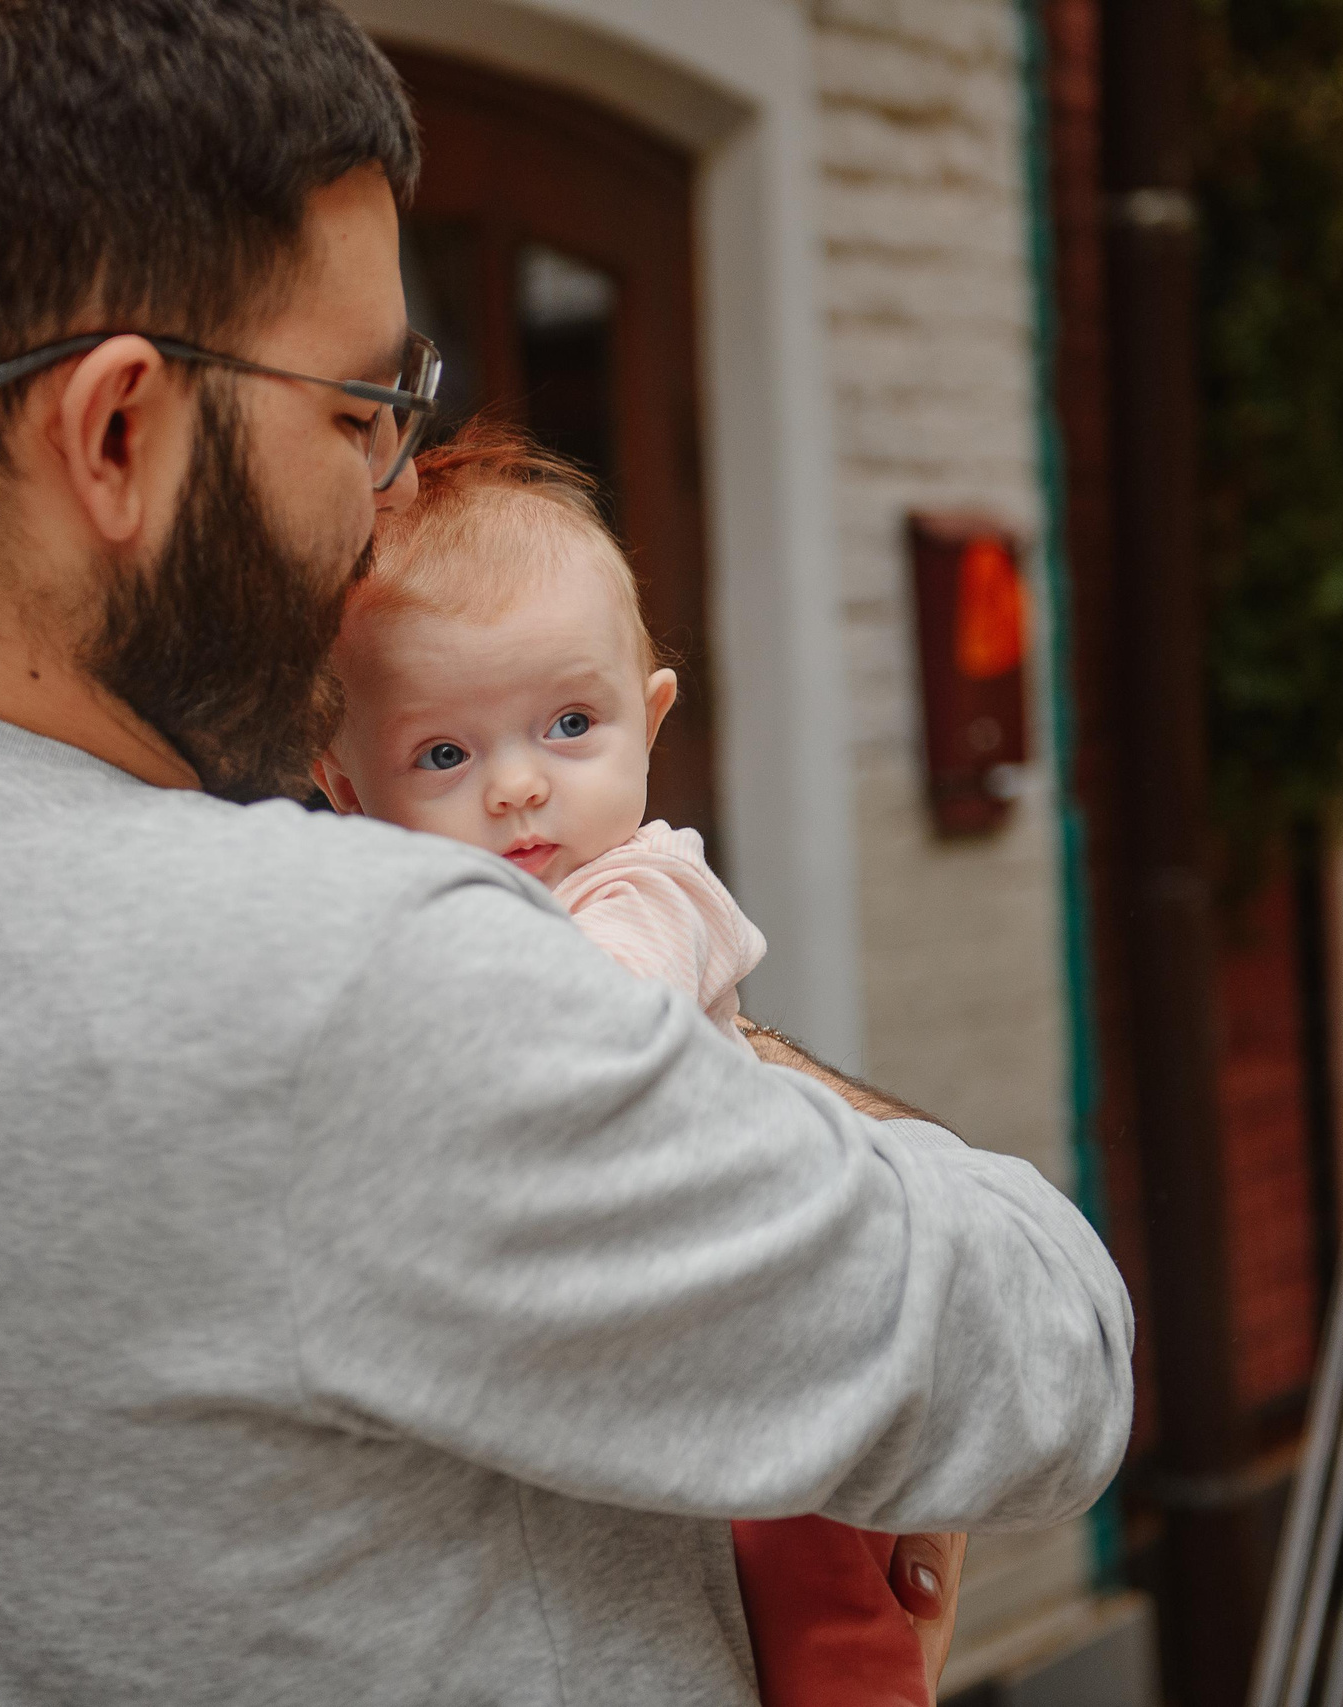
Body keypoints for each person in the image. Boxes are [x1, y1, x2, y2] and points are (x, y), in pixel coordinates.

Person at [0, 3, 1132, 1704]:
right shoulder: (335, 978)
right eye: (361, 404)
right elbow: (1050, 1351)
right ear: (117, 436)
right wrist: (736, 1063)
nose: (392, 491)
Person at [316, 422, 939, 1707]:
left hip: (755, 1359)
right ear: (343, 785)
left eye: (568, 723)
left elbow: (579, 1050)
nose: (517, 789)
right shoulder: (413, 926)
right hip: (635, 1379)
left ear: (650, 719)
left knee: (824, 1630)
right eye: (445, 753)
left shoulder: (646, 889)